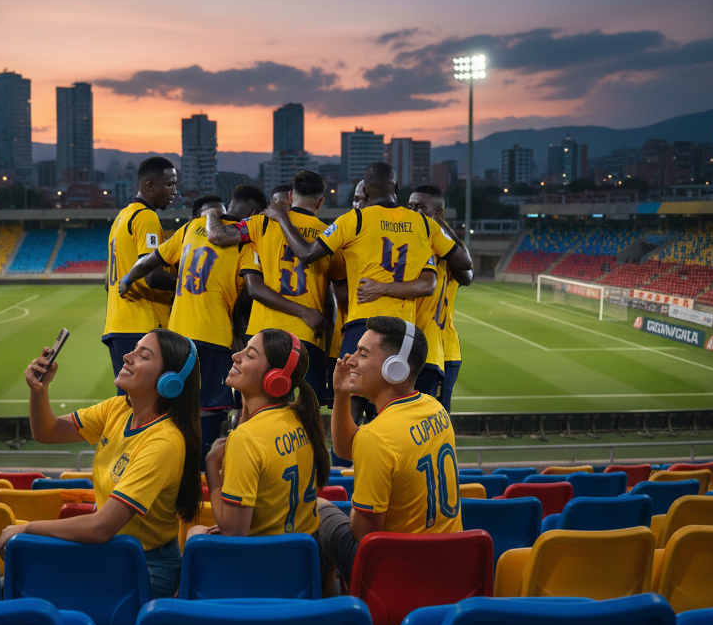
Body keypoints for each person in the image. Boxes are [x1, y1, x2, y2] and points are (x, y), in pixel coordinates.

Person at [0, 329, 202, 599]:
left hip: (145, 566)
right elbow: (47, 432)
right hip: (111, 552)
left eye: (143, 355)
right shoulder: (118, 409)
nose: (127, 357)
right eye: (134, 349)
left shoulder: (164, 442)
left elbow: (100, 527)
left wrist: (27, 528)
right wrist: (39, 390)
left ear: (169, 381)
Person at [262, 162, 472, 424]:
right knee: (393, 409)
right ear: (395, 187)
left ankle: (342, 463)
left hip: (364, 324)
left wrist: (283, 217)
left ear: (367, 193)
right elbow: (464, 264)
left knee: (350, 402)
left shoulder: (355, 219)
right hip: (403, 331)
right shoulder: (423, 224)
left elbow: (305, 254)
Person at [119, 185, 268, 469]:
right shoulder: (246, 242)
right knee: (209, 410)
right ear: (253, 213)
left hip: (175, 340)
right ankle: (198, 476)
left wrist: (127, 280)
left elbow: (150, 261)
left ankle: (163, 469)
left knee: (172, 406)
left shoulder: (192, 227)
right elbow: (251, 289)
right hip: (212, 337)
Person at [317, 316, 462, 585]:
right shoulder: (434, 409)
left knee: (317, 507)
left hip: (398, 572)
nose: (350, 361)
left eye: (363, 353)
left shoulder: (376, 437)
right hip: (446, 564)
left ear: (394, 369)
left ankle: (329, 608)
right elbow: (346, 448)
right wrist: (341, 393)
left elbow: (365, 535)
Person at [206, 170, 344, 407]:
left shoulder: (261, 225)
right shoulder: (329, 235)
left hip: (262, 334)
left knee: (255, 406)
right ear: (321, 202)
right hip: (306, 336)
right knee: (304, 413)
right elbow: (336, 296)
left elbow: (217, 235)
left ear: (290, 196)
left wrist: (211, 214)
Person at [192, 329, 330, 537]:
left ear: (275, 378)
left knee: (194, 532)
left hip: (260, 564)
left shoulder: (247, 438)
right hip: (301, 559)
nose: (235, 356)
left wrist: (211, 467)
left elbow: (233, 533)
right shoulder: (300, 418)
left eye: (250, 355)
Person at [103, 156, 178, 394]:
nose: (174, 191)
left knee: (129, 404)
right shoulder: (146, 217)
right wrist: (189, 287)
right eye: (169, 184)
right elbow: (152, 276)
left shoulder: (121, 218)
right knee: (151, 404)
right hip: (142, 326)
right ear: (149, 186)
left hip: (117, 325)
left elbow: (107, 283)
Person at [407, 185, 473, 405]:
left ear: (437, 211)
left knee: (438, 419)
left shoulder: (450, 248)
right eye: (410, 206)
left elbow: (467, 276)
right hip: (411, 344)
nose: (414, 212)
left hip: (445, 348)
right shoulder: (408, 243)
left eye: (420, 207)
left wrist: (440, 226)